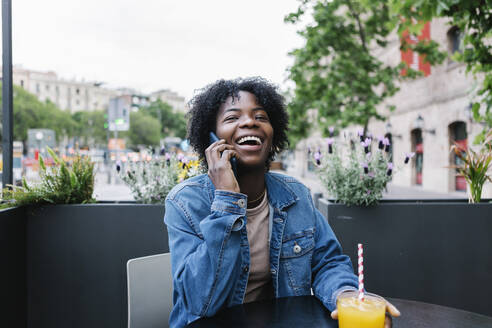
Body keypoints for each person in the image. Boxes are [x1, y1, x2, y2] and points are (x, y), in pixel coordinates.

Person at [164, 77, 400, 327]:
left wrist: (345, 294)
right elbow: (201, 301)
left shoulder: (295, 194)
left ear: (273, 135)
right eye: (232, 118)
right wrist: (227, 201)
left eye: (261, 117)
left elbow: (327, 262)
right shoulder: (185, 202)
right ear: (211, 140)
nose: (249, 122)